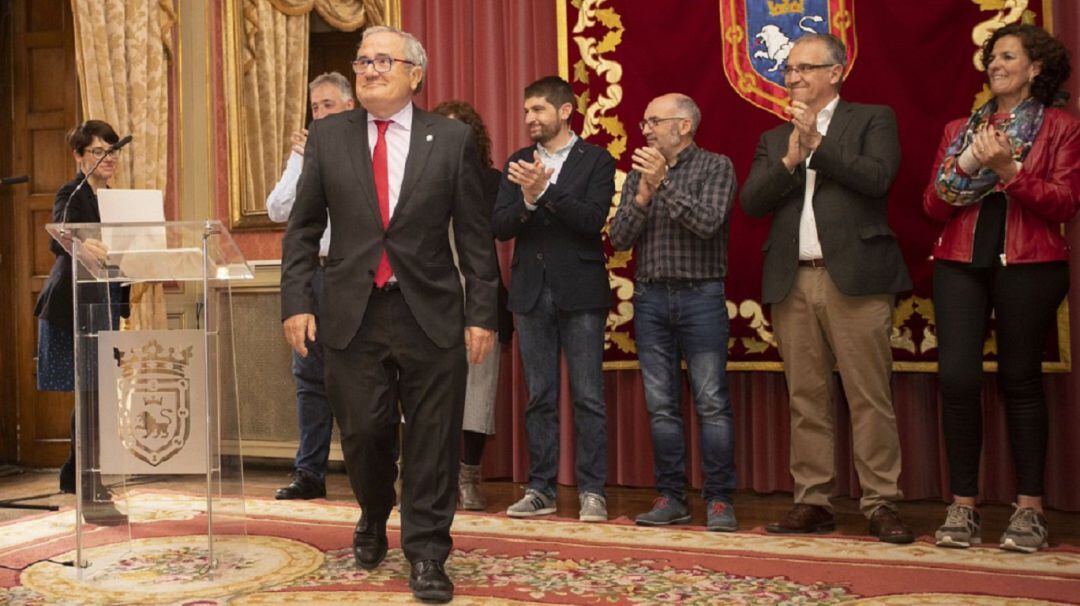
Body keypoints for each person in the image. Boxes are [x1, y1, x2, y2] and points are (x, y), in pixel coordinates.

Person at [280, 26, 499, 604]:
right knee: (364, 433)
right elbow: (301, 230)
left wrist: (483, 314)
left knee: (433, 437)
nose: (371, 69)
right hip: (351, 312)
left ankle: (427, 552)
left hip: (430, 311)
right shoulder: (328, 138)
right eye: (363, 60)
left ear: (415, 75)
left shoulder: (449, 140)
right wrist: (297, 302)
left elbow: (476, 238)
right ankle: (375, 511)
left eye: (384, 60)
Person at [740, 33, 914, 543]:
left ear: (836, 71)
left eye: (804, 68)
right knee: (806, 398)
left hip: (856, 279)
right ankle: (813, 501)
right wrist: (791, 160)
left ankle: (881, 502)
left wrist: (820, 147)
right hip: (794, 280)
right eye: (788, 70)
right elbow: (752, 202)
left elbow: (879, 178)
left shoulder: (872, 119)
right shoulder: (775, 138)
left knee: (869, 396)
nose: (792, 78)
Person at [923, 23, 1079, 553]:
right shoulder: (959, 129)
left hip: (1032, 265)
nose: (994, 64)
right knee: (958, 380)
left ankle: (1029, 509)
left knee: (1020, 379)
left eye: (1007, 56)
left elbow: (1062, 204)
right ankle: (962, 506)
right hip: (959, 262)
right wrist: (969, 162)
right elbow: (933, 205)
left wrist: (1008, 169)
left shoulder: (1061, 127)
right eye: (991, 57)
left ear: (1036, 68)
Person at [608, 93, 738, 531]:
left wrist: (664, 184)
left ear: (682, 126)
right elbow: (620, 238)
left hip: (701, 298)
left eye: (653, 122)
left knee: (711, 401)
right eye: (645, 122)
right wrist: (643, 194)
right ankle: (671, 497)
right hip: (650, 300)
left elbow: (707, 223)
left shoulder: (716, 166)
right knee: (661, 405)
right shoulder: (639, 175)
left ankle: (719, 500)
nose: (644, 129)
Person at [492, 76, 615, 523]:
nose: (530, 119)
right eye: (527, 111)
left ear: (565, 111)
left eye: (539, 110)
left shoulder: (596, 160)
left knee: (588, 396)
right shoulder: (519, 161)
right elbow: (501, 225)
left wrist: (545, 194)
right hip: (530, 293)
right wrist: (525, 202)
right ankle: (540, 488)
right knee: (538, 396)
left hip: (580, 292)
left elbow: (591, 221)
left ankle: (593, 491)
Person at [266, 71, 355, 500]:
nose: (319, 113)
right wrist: (304, 163)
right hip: (313, 274)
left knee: (357, 375)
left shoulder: (362, 148)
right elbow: (277, 208)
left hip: (353, 274)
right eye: (315, 107)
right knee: (308, 376)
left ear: (350, 107)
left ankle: (367, 472)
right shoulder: (304, 155)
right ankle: (310, 473)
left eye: (328, 105)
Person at [34, 120, 128, 519]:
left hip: (103, 301)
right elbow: (59, 233)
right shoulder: (70, 192)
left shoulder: (116, 201)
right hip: (73, 304)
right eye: (97, 152)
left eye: (111, 152)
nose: (106, 159)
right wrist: (81, 242)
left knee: (95, 393)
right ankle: (89, 481)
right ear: (79, 156)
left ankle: (76, 472)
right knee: (90, 394)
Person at [432, 99, 514, 511]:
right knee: (428, 391)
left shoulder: (491, 181)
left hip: (479, 296)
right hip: (430, 297)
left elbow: (497, 230)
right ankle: (429, 477)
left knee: (478, 392)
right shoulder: (418, 177)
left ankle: (469, 477)